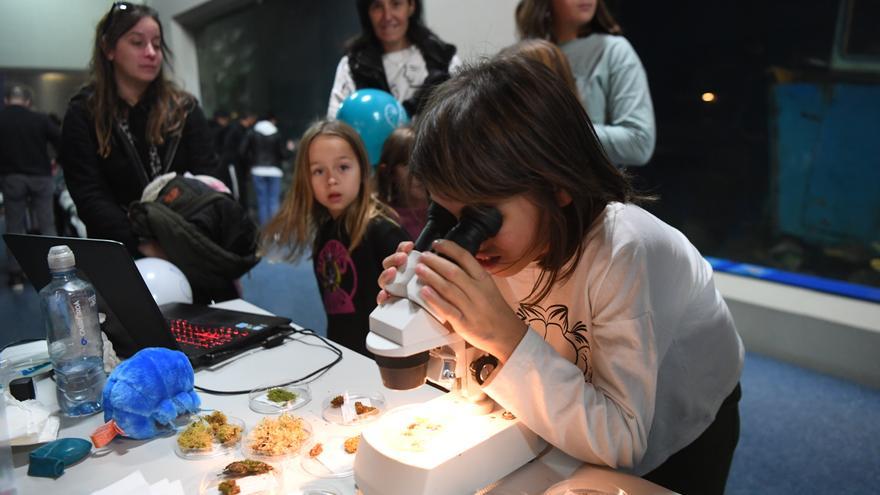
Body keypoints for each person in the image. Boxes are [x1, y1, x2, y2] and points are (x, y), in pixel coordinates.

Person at [376, 58, 743, 495]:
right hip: (575, 402)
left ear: (557, 186)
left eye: (480, 218)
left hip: (682, 414)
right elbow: (492, 384)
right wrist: (435, 320)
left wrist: (504, 337)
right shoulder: (502, 246)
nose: (465, 239)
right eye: (447, 217)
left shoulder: (625, 253)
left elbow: (620, 443)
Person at [61, 2, 218, 256]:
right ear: (109, 49)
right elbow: (89, 196)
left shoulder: (184, 108)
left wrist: (185, 237)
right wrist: (144, 245)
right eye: (137, 42)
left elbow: (207, 177)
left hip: (189, 245)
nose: (151, 53)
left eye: (156, 44)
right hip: (120, 252)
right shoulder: (84, 113)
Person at [261, 120, 408, 357]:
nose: (331, 180)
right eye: (319, 171)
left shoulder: (383, 231)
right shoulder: (325, 231)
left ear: (361, 169)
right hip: (345, 355)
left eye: (343, 167)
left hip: (384, 363)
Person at [516, 0, 655, 167]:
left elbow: (639, 142)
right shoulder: (524, 56)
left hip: (589, 188)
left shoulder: (613, 52)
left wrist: (557, 133)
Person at [327, 0, 462, 120]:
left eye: (396, 4)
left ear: (411, 6)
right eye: (377, 6)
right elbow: (337, 128)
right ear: (367, 13)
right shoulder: (352, 67)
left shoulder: (444, 58)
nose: (387, 16)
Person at [0, 84, 61, 291]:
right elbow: (60, 140)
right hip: (40, 177)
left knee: (15, 226)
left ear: (7, 100)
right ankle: (54, 271)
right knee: (47, 225)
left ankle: (16, 275)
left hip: (12, 178)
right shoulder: (40, 118)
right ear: (28, 101)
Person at [239, 114, 292, 225]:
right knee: (274, 201)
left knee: (262, 202)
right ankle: (274, 230)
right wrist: (290, 150)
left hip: (257, 170)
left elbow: (242, 151)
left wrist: (251, 163)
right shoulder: (276, 133)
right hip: (274, 171)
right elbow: (283, 154)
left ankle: (265, 230)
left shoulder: (252, 133)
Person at [375, 126, 427, 239]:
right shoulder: (384, 220)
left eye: (425, 161)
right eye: (407, 164)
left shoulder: (446, 211)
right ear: (390, 172)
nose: (420, 172)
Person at [221, 110, 257, 207]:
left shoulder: (240, 130)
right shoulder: (237, 130)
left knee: (240, 189)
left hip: (238, 165)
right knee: (237, 190)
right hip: (233, 164)